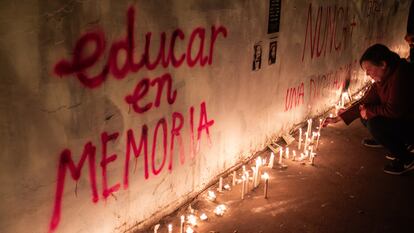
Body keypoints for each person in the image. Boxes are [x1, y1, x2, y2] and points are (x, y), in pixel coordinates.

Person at [324, 44, 414, 175]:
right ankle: (395, 143)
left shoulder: (401, 75)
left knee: (375, 124)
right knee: (366, 113)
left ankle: (407, 159)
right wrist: (340, 118)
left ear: (382, 64)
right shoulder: (386, 75)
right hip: (403, 120)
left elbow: (395, 110)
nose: (367, 74)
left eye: (369, 69)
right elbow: (366, 100)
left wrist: (369, 111)